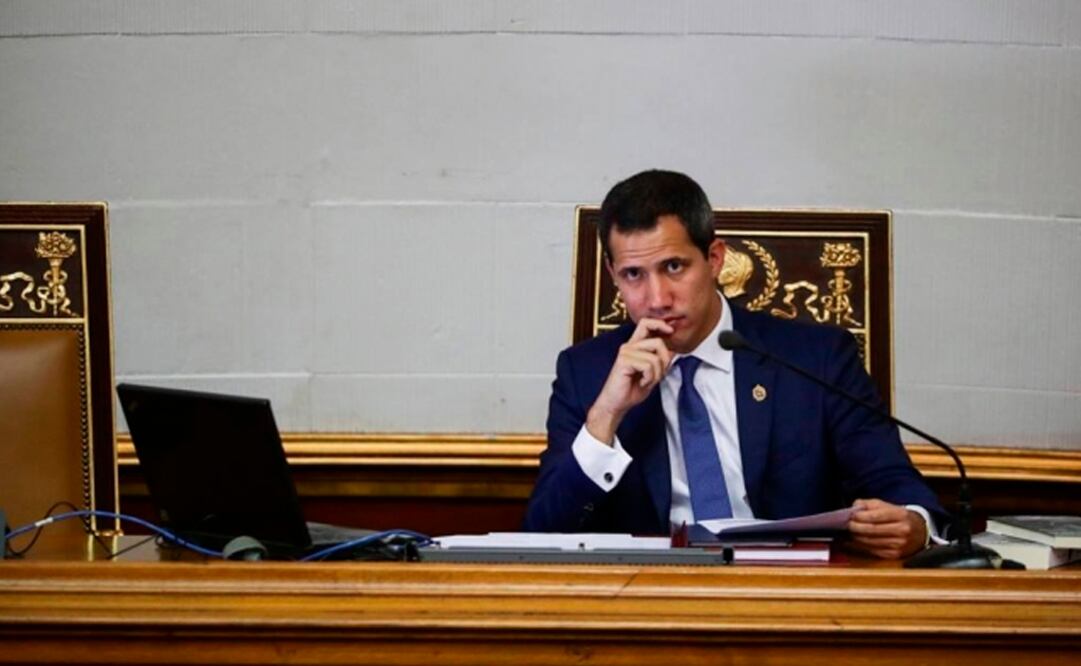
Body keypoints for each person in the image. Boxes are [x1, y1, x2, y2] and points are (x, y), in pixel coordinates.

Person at [523, 170, 946, 559]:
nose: (657, 298)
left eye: (674, 267)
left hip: (794, 598)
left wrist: (915, 523)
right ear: (613, 275)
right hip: (649, 603)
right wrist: (606, 416)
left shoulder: (815, 358)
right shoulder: (586, 373)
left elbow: (895, 482)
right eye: (634, 274)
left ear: (715, 259)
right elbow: (542, 533)